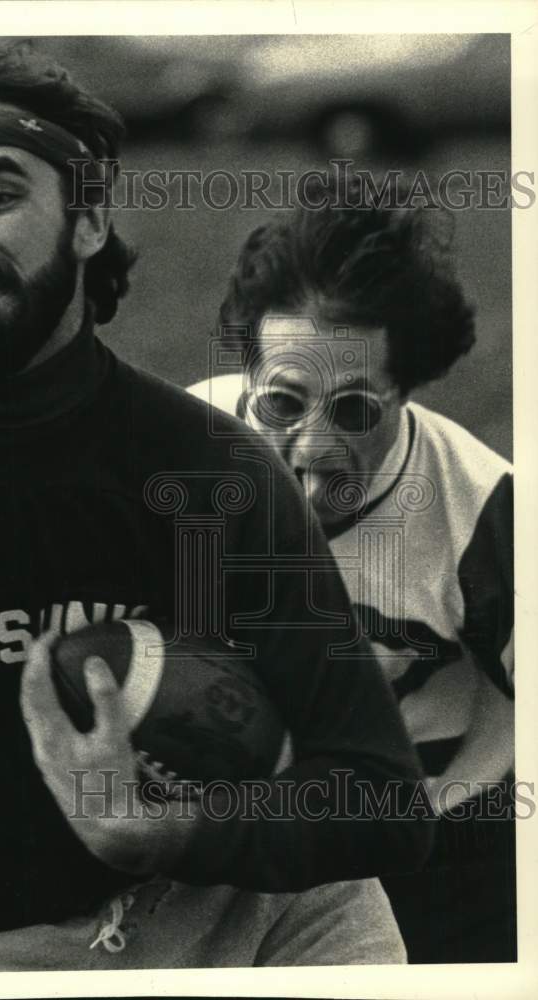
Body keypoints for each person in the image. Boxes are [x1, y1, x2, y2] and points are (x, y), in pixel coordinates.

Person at [0, 40, 431, 973]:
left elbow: (382, 799)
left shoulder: (206, 467)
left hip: (278, 927)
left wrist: (170, 832)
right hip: (15, 958)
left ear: (89, 219)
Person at [189, 176, 515, 963]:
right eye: (282, 404)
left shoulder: (485, 512)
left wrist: (431, 812)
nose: (311, 447)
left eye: (356, 410)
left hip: (424, 828)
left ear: (408, 388)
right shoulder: (181, 453)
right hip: (237, 812)